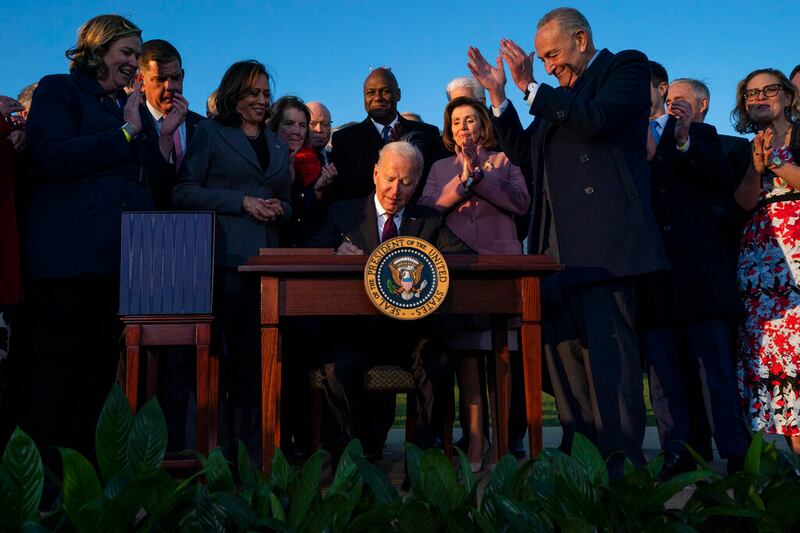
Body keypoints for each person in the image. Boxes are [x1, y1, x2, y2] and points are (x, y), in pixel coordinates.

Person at [467, 7, 667, 472]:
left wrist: (530, 87)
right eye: (540, 58)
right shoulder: (558, 99)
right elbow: (524, 154)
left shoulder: (625, 68)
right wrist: (500, 98)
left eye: (552, 54)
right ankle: (581, 455)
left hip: (605, 248)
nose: (548, 65)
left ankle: (621, 463)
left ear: (581, 38)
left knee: (609, 361)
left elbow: (597, 119)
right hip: (552, 250)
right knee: (564, 361)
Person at [21, 14, 157, 466]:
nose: (134, 63)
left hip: (117, 263)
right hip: (67, 261)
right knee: (56, 376)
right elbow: (52, 155)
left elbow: (151, 177)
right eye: (127, 53)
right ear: (98, 49)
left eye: (138, 55)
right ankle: (40, 483)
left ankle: (85, 481)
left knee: (98, 378)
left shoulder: (128, 105)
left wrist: (158, 132)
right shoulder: (60, 90)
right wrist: (126, 132)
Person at [307, 140, 472, 459]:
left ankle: (423, 461)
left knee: (439, 363)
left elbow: (464, 257)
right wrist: (334, 254)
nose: (396, 189)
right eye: (390, 178)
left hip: (412, 335)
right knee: (337, 369)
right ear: (375, 174)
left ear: (418, 182)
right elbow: (308, 251)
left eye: (407, 182)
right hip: (356, 331)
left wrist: (426, 263)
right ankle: (353, 457)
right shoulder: (344, 214)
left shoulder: (428, 221)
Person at [172, 60, 292, 461]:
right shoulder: (209, 133)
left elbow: (288, 200)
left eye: (265, 94)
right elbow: (184, 192)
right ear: (234, 96)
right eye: (253, 93)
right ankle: (212, 455)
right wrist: (241, 202)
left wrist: (280, 209)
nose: (262, 100)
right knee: (220, 363)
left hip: (268, 266)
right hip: (224, 264)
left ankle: (256, 458)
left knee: (257, 365)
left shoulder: (276, 143)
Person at [638, 67, 748, 477]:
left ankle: (736, 451)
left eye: (683, 102)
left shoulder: (711, 141)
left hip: (702, 278)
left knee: (715, 371)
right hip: (655, 276)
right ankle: (677, 451)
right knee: (665, 376)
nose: (674, 107)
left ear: (703, 106)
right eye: (671, 101)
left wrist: (683, 138)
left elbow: (718, 179)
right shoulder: (641, 137)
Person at [419, 96, 529, 470]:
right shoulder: (437, 168)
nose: (463, 128)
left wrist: (479, 177)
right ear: (449, 132)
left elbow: (521, 203)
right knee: (467, 356)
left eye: (469, 120)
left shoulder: (504, 160)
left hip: (500, 267)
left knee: (501, 356)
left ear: (483, 124)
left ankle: (503, 439)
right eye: (456, 123)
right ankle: (477, 438)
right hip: (458, 270)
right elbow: (429, 208)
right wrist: (462, 181)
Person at [732, 68, 800, 453]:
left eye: (769, 90)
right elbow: (743, 203)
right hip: (758, 262)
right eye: (750, 93)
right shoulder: (745, 148)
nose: (759, 97)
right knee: (767, 356)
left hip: (796, 255)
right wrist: (754, 168)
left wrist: (775, 163)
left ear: (788, 97)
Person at [328, 68, 442, 202]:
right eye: (370, 93)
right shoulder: (344, 139)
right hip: (364, 220)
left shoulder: (427, 134)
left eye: (385, 91)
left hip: (415, 219)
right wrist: (386, 151)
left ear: (398, 94)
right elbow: (344, 188)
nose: (377, 98)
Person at [137, 39, 205, 209]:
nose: (169, 86)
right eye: (159, 79)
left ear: (182, 75)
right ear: (141, 81)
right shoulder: (131, 126)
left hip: (199, 227)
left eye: (175, 78)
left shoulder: (204, 128)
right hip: (146, 226)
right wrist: (165, 139)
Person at [269, 96, 334, 247]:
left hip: (307, 253)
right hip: (270, 251)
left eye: (302, 125)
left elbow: (310, 218)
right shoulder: (264, 160)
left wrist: (317, 193)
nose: (297, 131)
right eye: (289, 123)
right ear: (275, 126)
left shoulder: (315, 163)